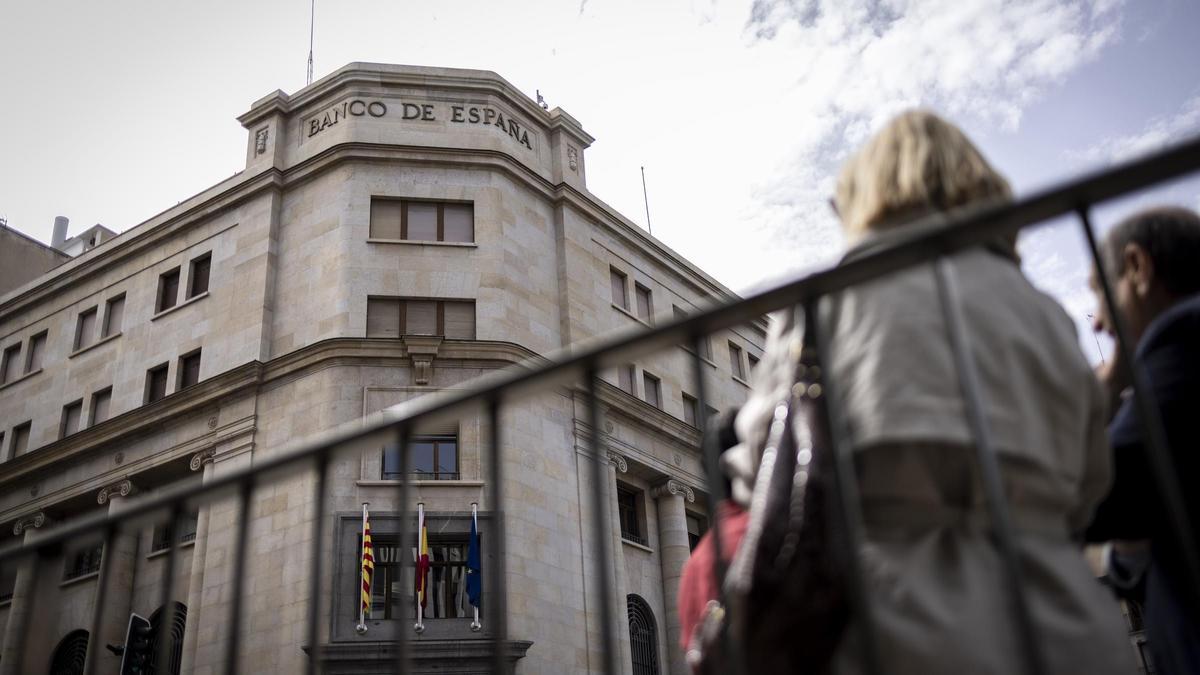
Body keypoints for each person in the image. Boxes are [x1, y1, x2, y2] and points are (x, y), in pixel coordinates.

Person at [714, 110, 1134, 674]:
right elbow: (1089, 481)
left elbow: (760, 467)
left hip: (894, 622)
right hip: (1064, 622)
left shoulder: (821, 305)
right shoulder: (1046, 315)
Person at [1085, 206, 1200, 674]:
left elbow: (1093, 494)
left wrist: (1104, 395)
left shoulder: (1183, 349)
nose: (1095, 322)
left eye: (1099, 293)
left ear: (1137, 268)